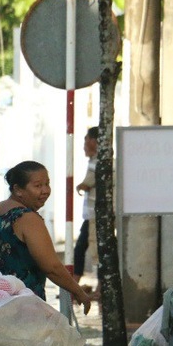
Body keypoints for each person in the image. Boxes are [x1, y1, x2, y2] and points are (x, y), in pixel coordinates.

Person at [0, 160, 93, 315]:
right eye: (38, 186)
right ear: (18, 190)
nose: (46, 190)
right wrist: (79, 292)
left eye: (47, 184)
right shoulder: (27, 218)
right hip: (19, 307)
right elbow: (51, 267)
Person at [73, 126, 99, 296]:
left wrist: (81, 185)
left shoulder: (99, 162)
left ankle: (99, 288)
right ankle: (75, 283)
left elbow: (87, 183)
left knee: (95, 250)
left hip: (96, 216)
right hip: (90, 215)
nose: (84, 146)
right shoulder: (94, 161)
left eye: (86, 140)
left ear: (95, 141)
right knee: (81, 247)